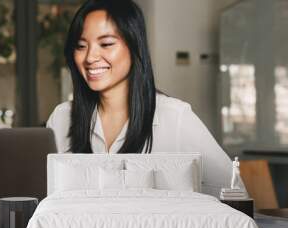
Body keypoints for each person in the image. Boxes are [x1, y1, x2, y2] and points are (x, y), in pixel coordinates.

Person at [46, 0, 245, 197]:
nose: (90, 57)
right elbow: (42, 197)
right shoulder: (62, 118)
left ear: (134, 46)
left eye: (106, 44)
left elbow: (235, 194)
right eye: (81, 46)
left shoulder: (175, 117)